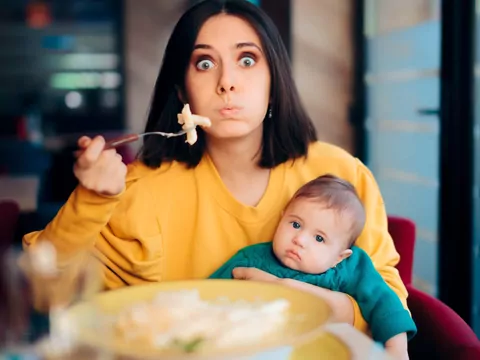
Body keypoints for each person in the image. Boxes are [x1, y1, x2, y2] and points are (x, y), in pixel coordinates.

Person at [23, 0, 409, 351]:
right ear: (181, 92)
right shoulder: (141, 190)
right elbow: (43, 292)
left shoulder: (341, 175)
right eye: (204, 64)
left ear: (274, 83)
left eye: (247, 60)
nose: (227, 82)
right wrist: (92, 198)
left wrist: (320, 304)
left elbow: (387, 295)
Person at [209, 174, 416, 358]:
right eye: (295, 224)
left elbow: (384, 303)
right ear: (282, 219)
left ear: (339, 257)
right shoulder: (251, 261)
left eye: (319, 238)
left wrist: (396, 348)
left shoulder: (350, 268)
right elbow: (206, 297)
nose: (300, 239)